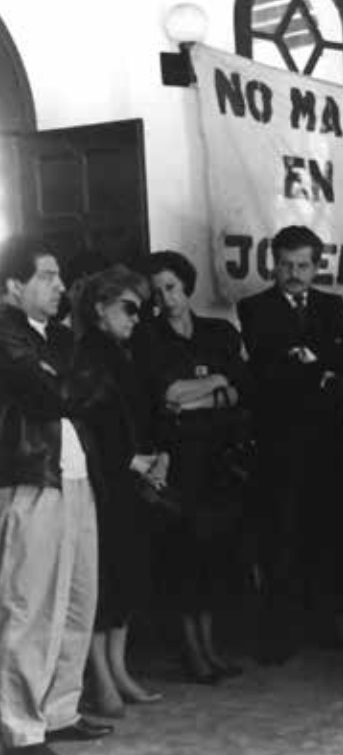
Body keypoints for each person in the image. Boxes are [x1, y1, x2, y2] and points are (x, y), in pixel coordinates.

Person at [0, 238, 111, 755]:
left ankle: (60, 710)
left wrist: (65, 382)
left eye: (59, 276)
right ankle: (20, 729)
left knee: (77, 600)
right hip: (33, 477)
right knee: (30, 608)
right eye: (47, 276)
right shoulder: (5, 334)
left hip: (76, 478)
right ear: (13, 286)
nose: (60, 286)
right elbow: (52, 397)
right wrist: (69, 383)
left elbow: (95, 389)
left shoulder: (62, 338)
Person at [237, 225, 343, 662]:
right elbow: (267, 364)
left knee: (325, 531)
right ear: (273, 265)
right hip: (280, 441)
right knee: (281, 537)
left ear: (316, 266)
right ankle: (280, 636)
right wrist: (319, 365)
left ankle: (324, 623)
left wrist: (309, 358)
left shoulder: (332, 304)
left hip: (327, 438)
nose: (293, 273)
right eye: (286, 265)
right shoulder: (253, 307)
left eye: (302, 265)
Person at [144, 251, 248, 684]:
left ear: (186, 285)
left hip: (219, 458)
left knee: (214, 555)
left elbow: (240, 389)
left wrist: (195, 398)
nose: (165, 298)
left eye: (170, 287)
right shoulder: (148, 337)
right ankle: (193, 653)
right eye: (156, 292)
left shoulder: (218, 332)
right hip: (179, 460)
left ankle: (211, 648)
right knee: (185, 556)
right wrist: (216, 384)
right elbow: (166, 394)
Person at [72, 266, 167, 719]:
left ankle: (119, 669)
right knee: (104, 579)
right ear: (99, 309)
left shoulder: (124, 353)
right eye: (128, 308)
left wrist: (156, 457)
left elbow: (144, 413)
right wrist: (129, 460)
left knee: (127, 573)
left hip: (129, 480)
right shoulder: (87, 355)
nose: (136, 317)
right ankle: (103, 679)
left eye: (139, 309)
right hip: (104, 483)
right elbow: (88, 424)